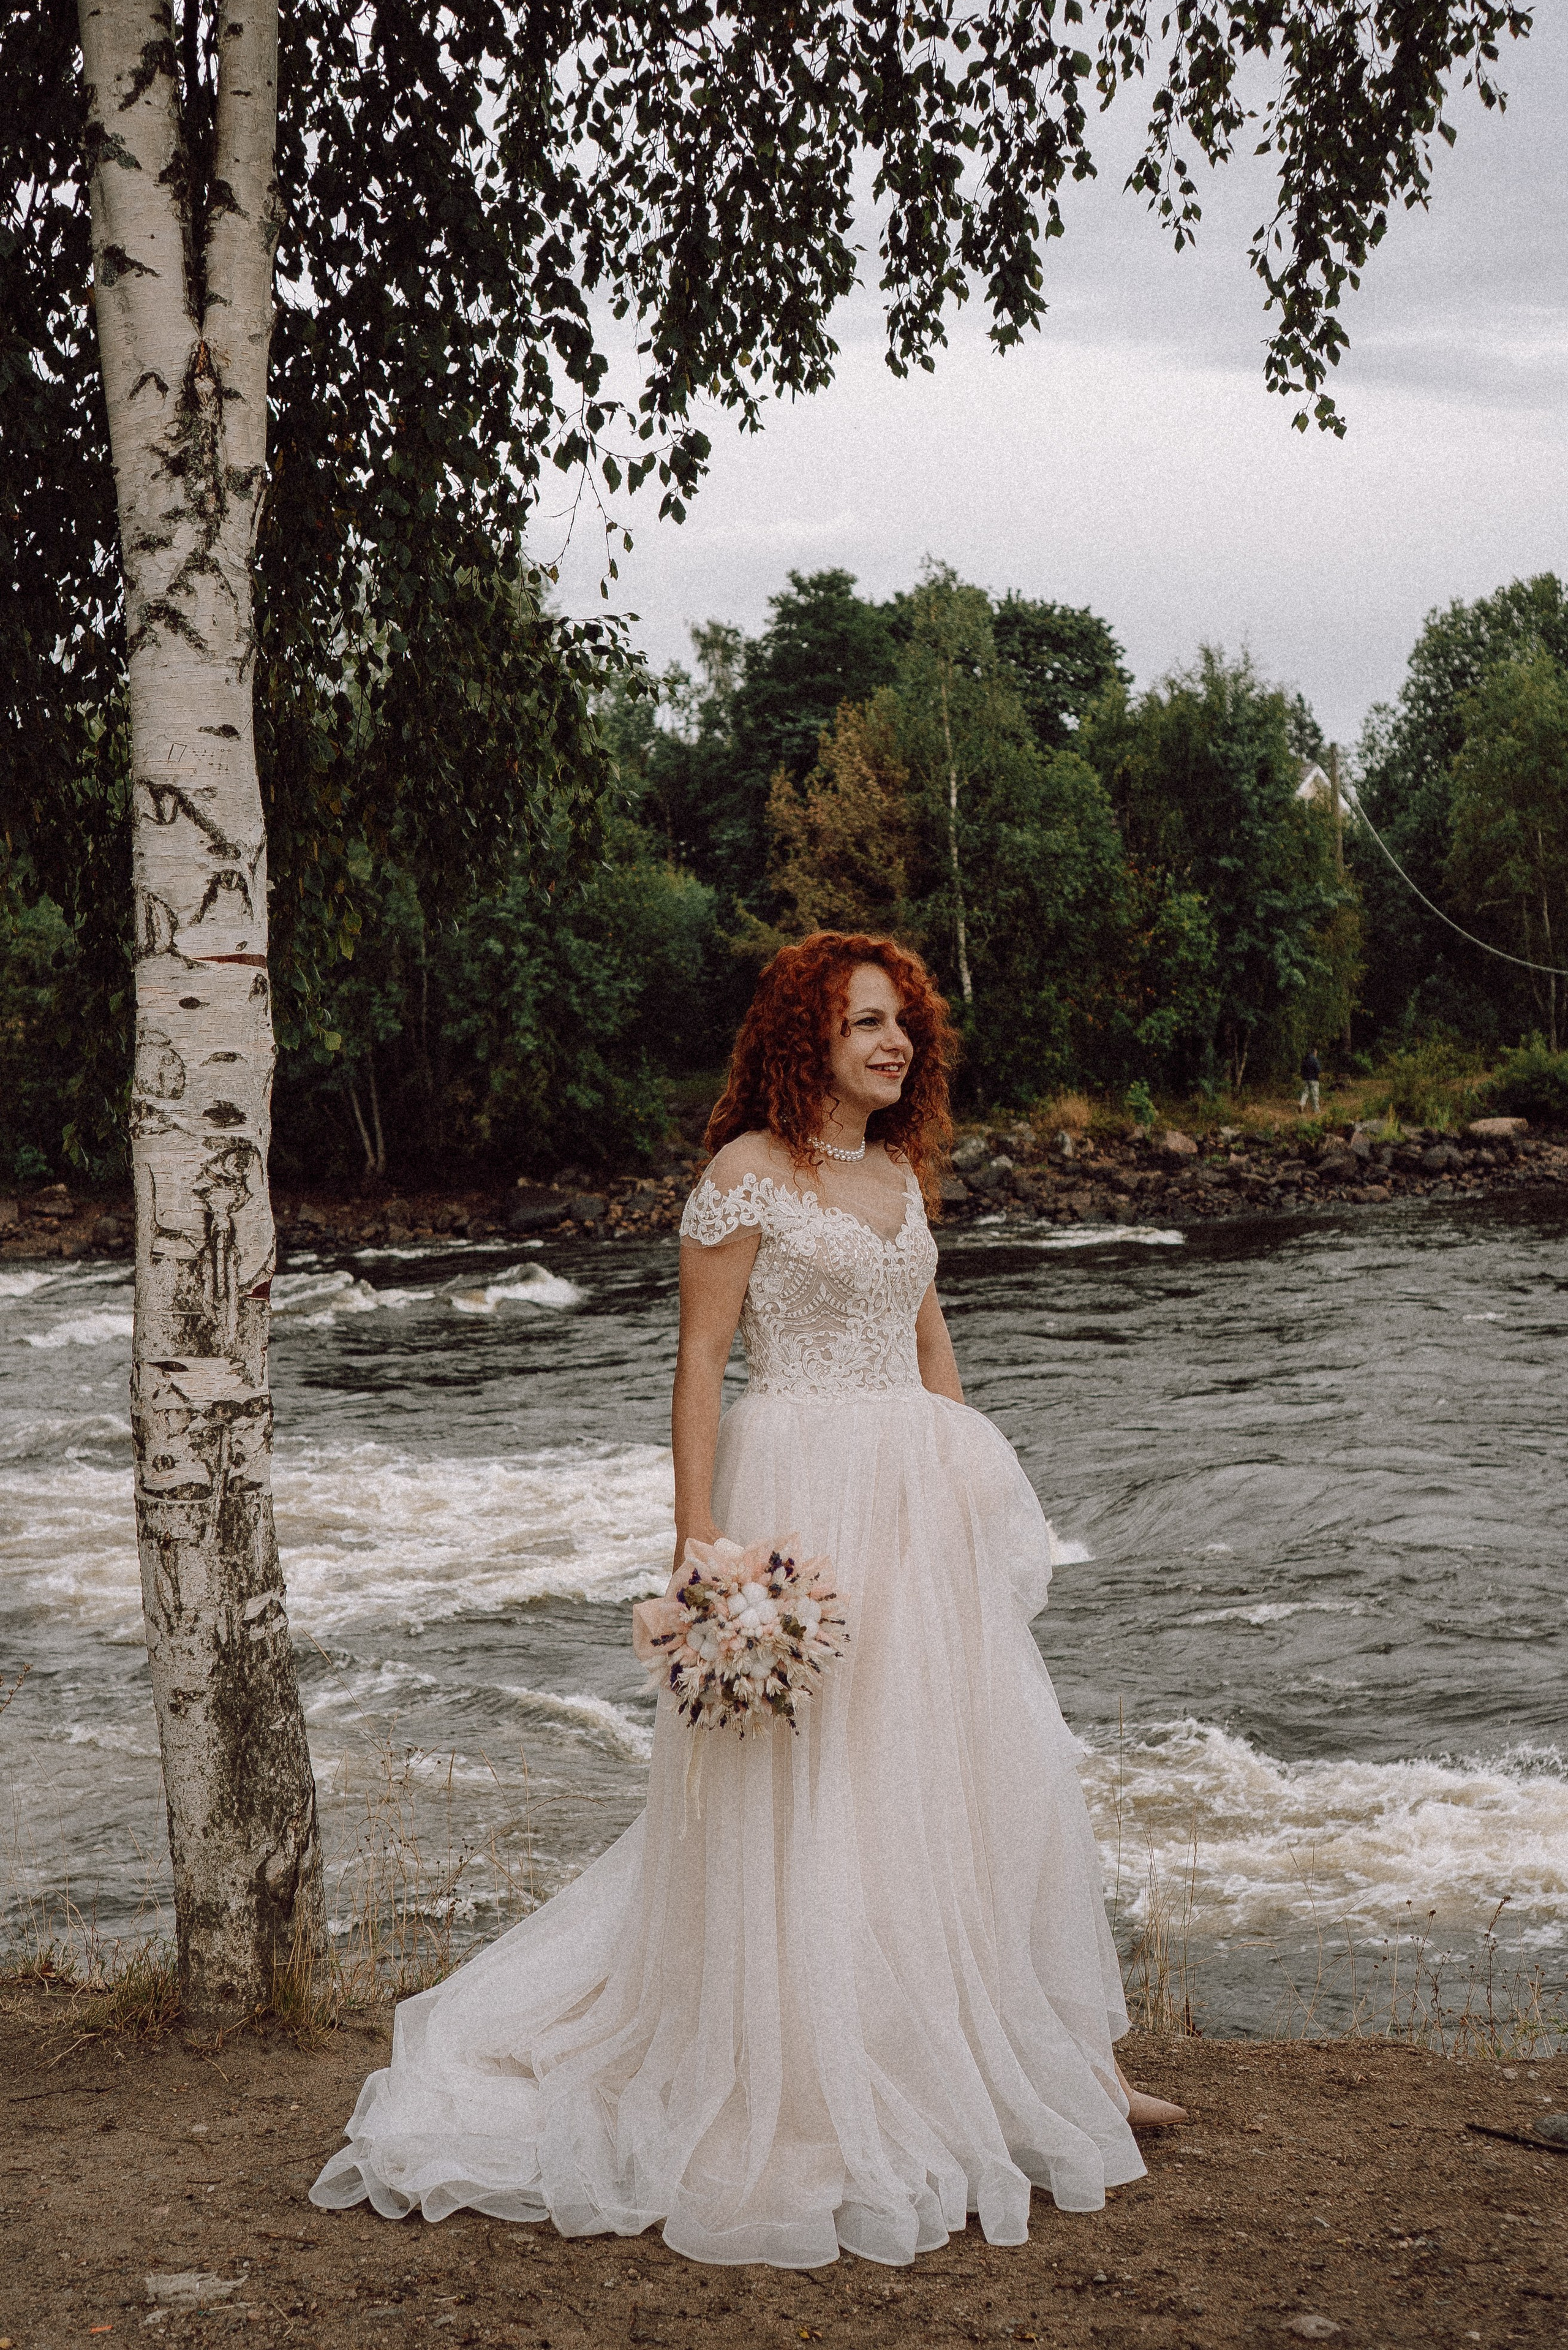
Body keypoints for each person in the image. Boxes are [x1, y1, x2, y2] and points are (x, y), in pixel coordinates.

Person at [311, 931, 1183, 2269]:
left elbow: (930, 1345)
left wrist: (968, 1500)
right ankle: (821, 2066)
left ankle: (1048, 2058)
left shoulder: (897, 1170)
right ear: (804, 1040)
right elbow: (702, 1364)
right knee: (823, 1782)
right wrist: (699, 1548)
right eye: (865, 1025)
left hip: (911, 1493)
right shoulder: (741, 1181)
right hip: (803, 1493)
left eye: (902, 1025)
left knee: (970, 1765)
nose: (893, 1045)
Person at [1298, 1046, 1322, 1113]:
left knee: (1305, 1093)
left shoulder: (1305, 1059)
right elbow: (1318, 1069)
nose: (1316, 1054)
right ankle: (1316, 1110)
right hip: (1313, 1079)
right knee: (1315, 1094)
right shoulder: (1315, 1060)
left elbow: (1302, 1069)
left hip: (1305, 1079)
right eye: (1316, 1053)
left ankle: (1302, 1104)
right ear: (1314, 1052)